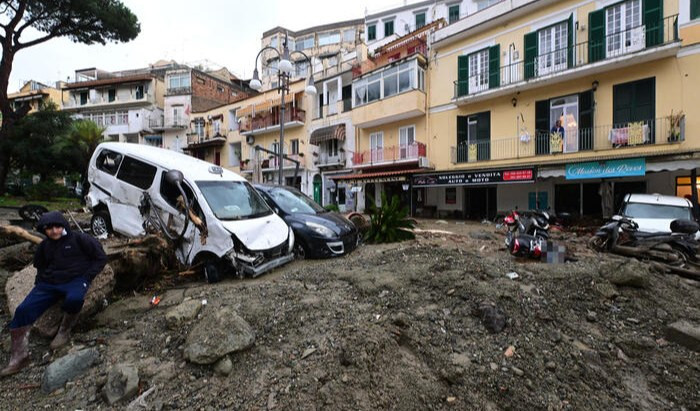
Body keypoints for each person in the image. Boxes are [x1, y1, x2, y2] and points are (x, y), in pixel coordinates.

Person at [1, 211, 107, 377]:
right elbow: (40, 265)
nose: (54, 231)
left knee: (74, 299)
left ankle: (64, 330)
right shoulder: (45, 245)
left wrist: (87, 277)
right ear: (44, 230)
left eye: (57, 227)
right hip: (49, 284)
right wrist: (40, 283)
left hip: (75, 279)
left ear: (63, 226)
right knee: (23, 310)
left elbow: (100, 257)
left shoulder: (79, 239)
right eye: (49, 228)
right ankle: (19, 357)